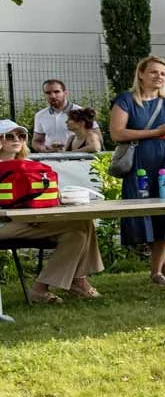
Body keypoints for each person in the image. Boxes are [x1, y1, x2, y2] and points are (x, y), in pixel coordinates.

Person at [108, 54, 165, 286]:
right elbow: (117, 133)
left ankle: (159, 272)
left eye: (163, 73)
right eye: (154, 72)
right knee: (144, 214)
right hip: (140, 164)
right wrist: (155, 132)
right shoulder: (126, 100)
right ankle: (164, 270)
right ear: (141, 74)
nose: (159, 77)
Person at [0, 119, 104, 302]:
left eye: (21, 136)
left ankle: (43, 287)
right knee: (80, 225)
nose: (17, 139)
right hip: (5, 224)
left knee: (78, 232)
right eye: (9, 136)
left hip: (32, 220)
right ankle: (77, 282)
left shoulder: (29, 165)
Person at [31, 78, 73, 151]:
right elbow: (36, 141)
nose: (52, 96)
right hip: (50, 159)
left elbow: (96, 139)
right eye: (48, 93)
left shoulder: (80, 112)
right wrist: (45, 149)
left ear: (65, 93)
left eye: (56, 92)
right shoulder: (40, 115)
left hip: (78, 158)